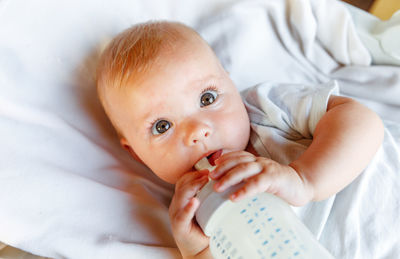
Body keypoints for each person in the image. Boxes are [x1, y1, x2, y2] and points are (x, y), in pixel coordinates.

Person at [95, 21, 384, 259]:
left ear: (231, 83)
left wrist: (303, 179)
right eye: (162, 126)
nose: (197, 131)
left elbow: (362, 121)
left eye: (207, 98)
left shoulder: (266, 109)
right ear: (136, 154)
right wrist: (199, 252)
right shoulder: (190, 213)